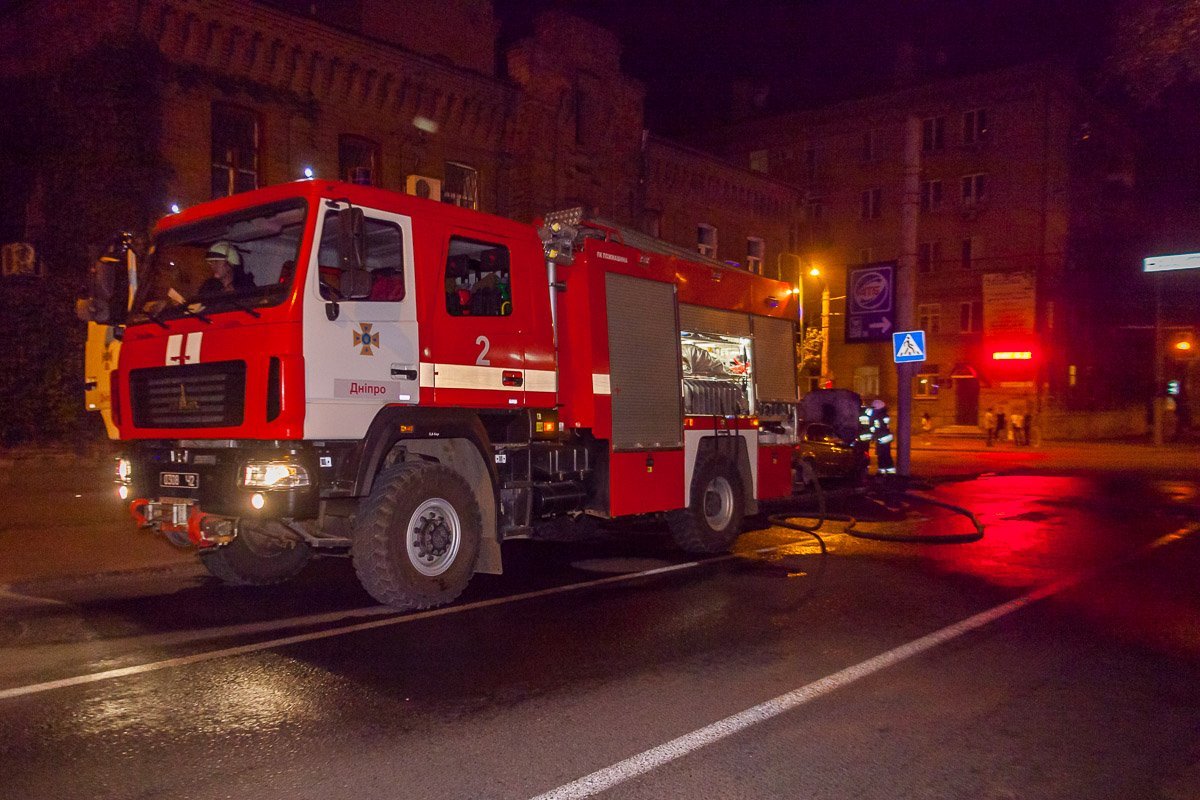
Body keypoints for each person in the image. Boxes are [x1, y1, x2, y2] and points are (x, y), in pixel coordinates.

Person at [868, 398, 895, 475]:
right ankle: (889, 471)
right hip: (886, 438)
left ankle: (882, 471)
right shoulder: (884, 415)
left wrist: (873, 435)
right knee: (886, 455)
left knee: (881, 456)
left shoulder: (877, 416)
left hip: (881, 438)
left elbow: (875, 428)